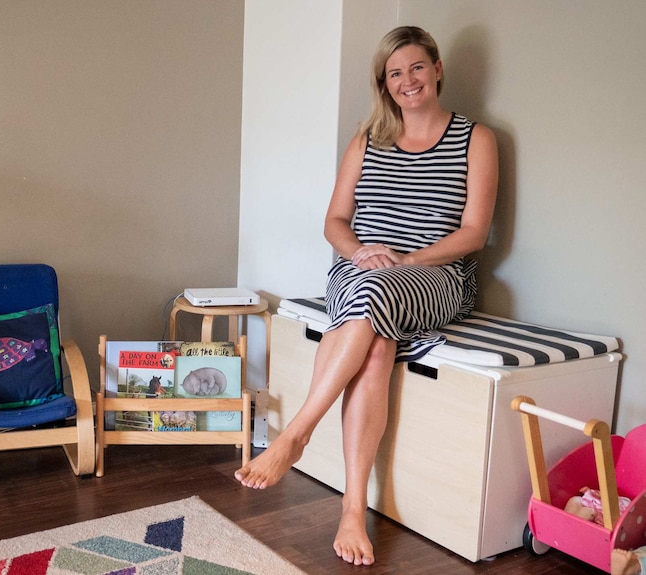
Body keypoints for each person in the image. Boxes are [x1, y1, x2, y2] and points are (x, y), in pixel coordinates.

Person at [234, 25, 498, 566]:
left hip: (437, 274)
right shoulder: (366, 138)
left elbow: (474, 232)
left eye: (417, 67)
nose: (407, 81)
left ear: (438, 68)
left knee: (377, 294)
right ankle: (354, 509)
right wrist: (358, 253)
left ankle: (295, 434)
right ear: (384, 81)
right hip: (360, 269)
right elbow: (334, 221)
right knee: (376, 344)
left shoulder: (477, 138)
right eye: (395, 72)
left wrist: (406, 260)